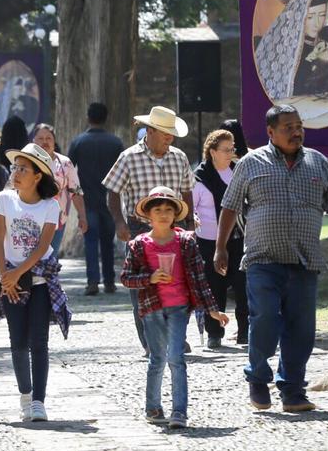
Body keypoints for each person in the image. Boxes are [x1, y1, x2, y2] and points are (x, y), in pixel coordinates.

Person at [215, 105, 328, 413]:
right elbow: (230, 206)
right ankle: (257, 378)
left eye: (299, 126)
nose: (296, 132)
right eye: (288, 127)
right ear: (271, 132)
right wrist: (221, 247)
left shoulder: (318, 162)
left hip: (305, 261)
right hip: (263, 260)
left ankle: (292, 390)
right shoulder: (250, 163)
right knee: (264, 318)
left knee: (301, 329)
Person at [0, 142, 72, 422]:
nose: (16, 174)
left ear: (38, 176)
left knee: (39, 341)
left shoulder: (50, 205)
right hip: (9, 277)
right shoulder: (5, 199)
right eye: (15, 168)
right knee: (17, 340)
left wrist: (17, 273)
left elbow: (42, 247)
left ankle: (39, 401)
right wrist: (4, 276)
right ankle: (25, 396)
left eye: (23, 169)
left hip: (39, 278)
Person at [121, 187, 231, 428]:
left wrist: (213, 310)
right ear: (148, 215)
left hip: (179, 307)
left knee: (176, 358)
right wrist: (149, 278)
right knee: (157, 358)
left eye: (168, 210)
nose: (163, 214)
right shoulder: (138, 245)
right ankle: (153, 407)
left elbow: (200, 278)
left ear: (175, 215)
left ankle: (179, 411)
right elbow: (126, 278)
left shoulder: (185, 242)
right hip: (151, 309)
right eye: (158, 210)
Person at [104, 106, 196, 352]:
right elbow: (113, 192)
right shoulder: (128, 157)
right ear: (151, 131)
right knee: (143, 286)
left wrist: (189, 223)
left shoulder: (179, 157)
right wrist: (119, 222)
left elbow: (187, 191)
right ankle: (151, 342)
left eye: (171, 134)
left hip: (174, 228)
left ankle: (175, 335)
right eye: (165, 133)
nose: (170, 138)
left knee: (178, 284)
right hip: (139, 229)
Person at [193, 129, 247, 348]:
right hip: (208, 241)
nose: (231, 153)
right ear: (213, 152)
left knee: (243, 284)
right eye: (226, 150)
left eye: (232, 149)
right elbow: (191, 208)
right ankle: (214, 333)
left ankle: (245, 331)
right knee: (214, 286)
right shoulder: (199, 177)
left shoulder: (239, 171)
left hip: (238, 237)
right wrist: (194, 218)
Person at [68, 103, 124, 295]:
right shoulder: (115, 143)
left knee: (90, 242)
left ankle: (92, 281)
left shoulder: (79, 142)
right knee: (108, 242)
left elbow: (68, 169)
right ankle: (109, 281)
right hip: (110, 199)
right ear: (106, 118)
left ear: (88, 117)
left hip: (87, 200)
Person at [31, 123, 87, 257]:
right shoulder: (26, 161)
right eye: (40, 138)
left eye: (48, 138)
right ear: (34, 141)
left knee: (50, 259)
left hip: (57, 220)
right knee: (30, 258)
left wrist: (82, 216)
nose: (45, 142)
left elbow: (75, 191)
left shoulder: (65, 163)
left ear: (54, 141)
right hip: (30, 219)